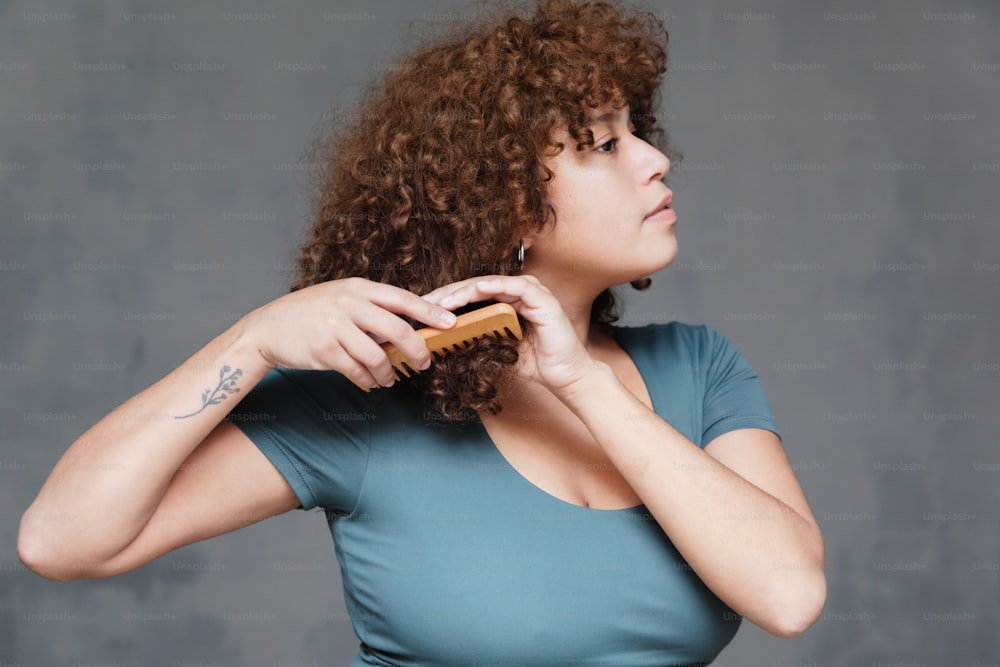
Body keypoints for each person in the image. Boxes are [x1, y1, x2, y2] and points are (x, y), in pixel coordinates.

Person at [18, 0, 826, 664]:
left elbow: (788, 594)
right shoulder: (364, 406)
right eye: (606, 143)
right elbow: (61, 539)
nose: (655, 160)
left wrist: (584, 384)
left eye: (638, 131)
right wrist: (250, 342)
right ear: (507, 202)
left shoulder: (699, 368)